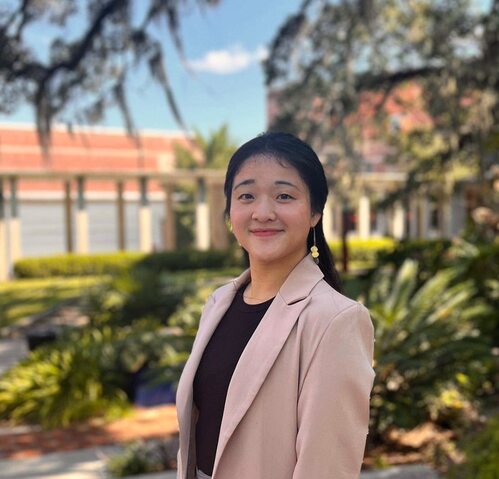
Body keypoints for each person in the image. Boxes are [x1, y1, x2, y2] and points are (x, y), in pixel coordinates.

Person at [175, 132, 375, 479]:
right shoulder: (219, 303)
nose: (263, 213)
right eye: (247, 196)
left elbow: (326, 468)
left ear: (315, 212)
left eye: (284, 196)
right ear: (230, 211)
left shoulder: (335, 320)